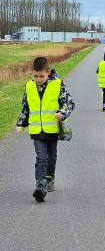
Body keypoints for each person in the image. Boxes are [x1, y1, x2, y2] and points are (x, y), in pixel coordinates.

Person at [16, 56, 75, 202]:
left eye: (41, 76)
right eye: (35, 76)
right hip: (36, 130)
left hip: (53, 129)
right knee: (41, 157)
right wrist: (21, 123)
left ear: (48, 73)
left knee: (51, 156)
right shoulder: (29, 86)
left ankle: (50, 178)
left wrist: (62, 113)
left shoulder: (57, 84)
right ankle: (40, 185)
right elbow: (26, 107)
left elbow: (69, 103)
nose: (38, 79)